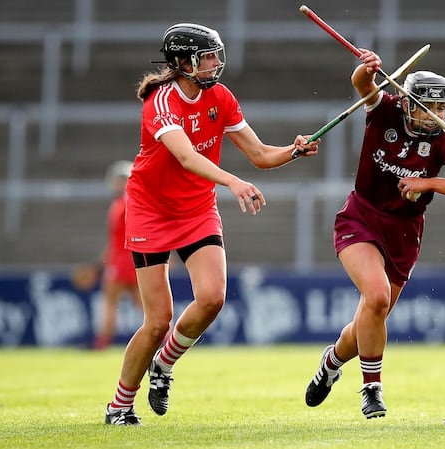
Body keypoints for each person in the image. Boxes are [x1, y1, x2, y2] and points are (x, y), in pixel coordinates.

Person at [104, 22, 319, 426]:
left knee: (212, 297)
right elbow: (186, 157)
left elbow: (258, 154)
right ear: (183, 62)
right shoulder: (160, 102)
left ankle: (164, 366)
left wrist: (293, 150)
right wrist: (232, 181)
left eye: (217, 55)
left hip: (196, 209)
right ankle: (119, 405)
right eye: (208, 57)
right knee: (157, 322)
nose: (217, 63)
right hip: (150, 210)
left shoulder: (219, 96)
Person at [303, 49, 445, 419]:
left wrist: (430, 181)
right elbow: (361, 84)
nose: (437, 115)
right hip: (361, 218)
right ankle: (372, 389)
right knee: (376, 296)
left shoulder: (444, 139)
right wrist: (366, 68)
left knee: (369, 320)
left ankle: (331, 361)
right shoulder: (385, 109)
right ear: (407, 104)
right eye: (427, 107)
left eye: (442, 107)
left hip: (404, 233)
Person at [93, 160, 142, 350]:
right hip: (138, 259)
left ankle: (101, 343)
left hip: (121, 260)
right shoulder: (137, 201)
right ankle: (166, 340)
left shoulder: (120, 204)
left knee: (110, 302)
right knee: (145, 305)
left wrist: (101, 264)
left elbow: (116, 240)